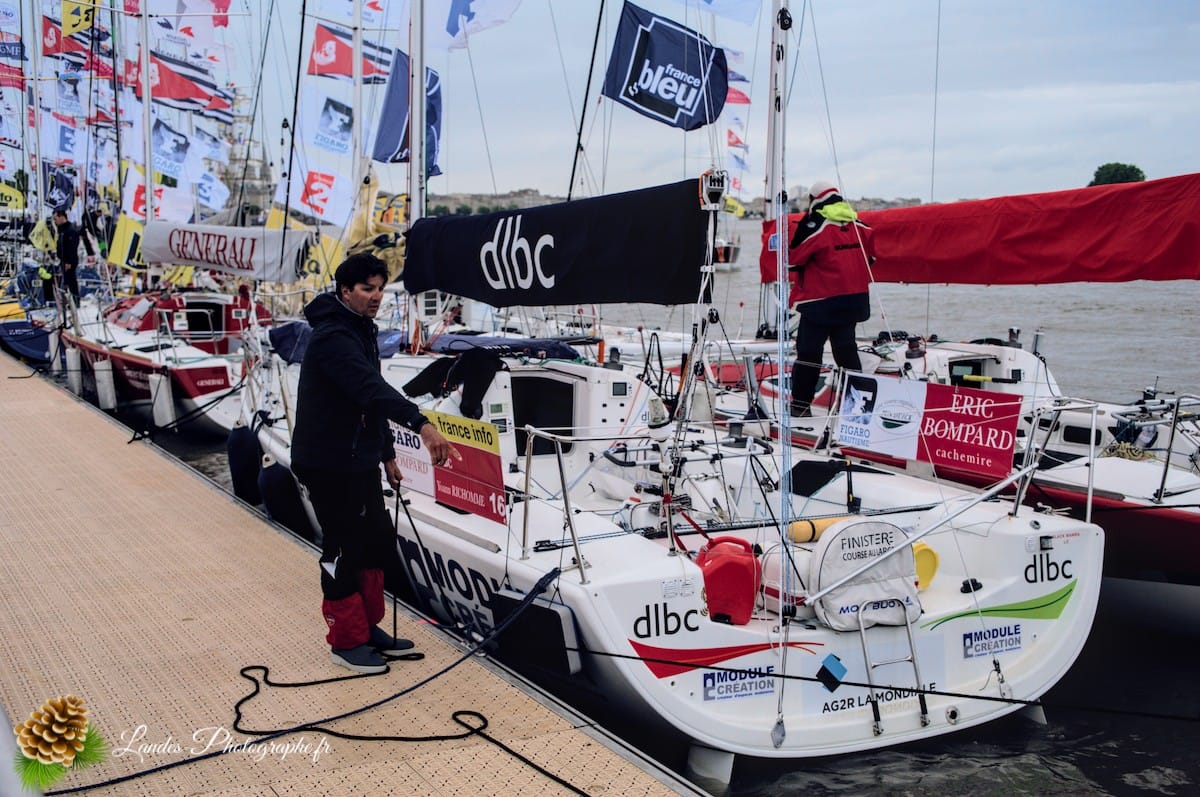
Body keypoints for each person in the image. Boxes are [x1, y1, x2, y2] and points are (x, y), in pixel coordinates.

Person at [291, 253, 461, 674]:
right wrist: (421, 424)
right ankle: (346, 642)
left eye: (380, 288)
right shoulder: (332, 337)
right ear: (344, 291)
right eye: (367, 288)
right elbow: (369, 389)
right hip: (328, 462)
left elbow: (367, 403)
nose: (376, 296)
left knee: (375, 543)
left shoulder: (360, 330)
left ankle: (367, 628)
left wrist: (386, 454)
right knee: (343, 549)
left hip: (359, 459)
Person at [786, 181, 876, 417]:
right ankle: (858, 410)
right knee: (846, 351)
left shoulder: (815, 224)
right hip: (854, 301)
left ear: (814, 198)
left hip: (820, 303)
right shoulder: (859, 225)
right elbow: (871, 259)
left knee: (808, 354)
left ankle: (800, 406)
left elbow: (794, 259)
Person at [53, 208, 94, 304]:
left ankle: (75, 301)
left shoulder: (70, 230)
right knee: (66, 282)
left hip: (69, 261)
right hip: (63, 259)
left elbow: (72, 247)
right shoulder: (61, 229)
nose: (55, 221)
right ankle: (68, 301)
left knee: (71, 282)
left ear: (62, 217)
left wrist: (69, 262)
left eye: (56, 219)